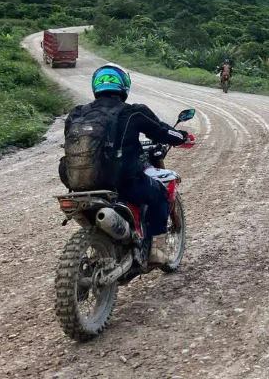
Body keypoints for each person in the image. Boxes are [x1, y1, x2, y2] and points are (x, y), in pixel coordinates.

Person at [66, 64, 190, 265]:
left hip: (81, 185)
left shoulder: (77, 114)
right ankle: (156, 252)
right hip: (123, 183)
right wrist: (183, 137)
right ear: (123, 86)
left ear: (96, 86)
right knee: (160, 194)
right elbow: (162, 132)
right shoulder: (133, 112)